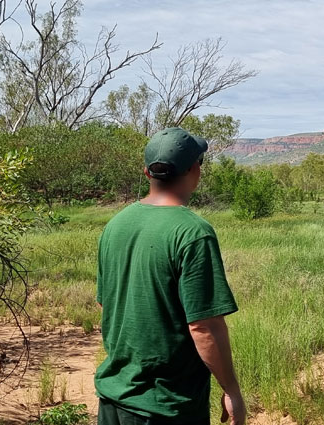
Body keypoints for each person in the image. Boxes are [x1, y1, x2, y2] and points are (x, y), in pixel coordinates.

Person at [95, 127, 246, 425]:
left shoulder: (115, 224)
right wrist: (232, 391)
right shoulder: (193, 232)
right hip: (167, 407)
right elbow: (203, 326)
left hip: (114, 398)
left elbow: (105, 306)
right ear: (194, 170)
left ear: (147, 172)